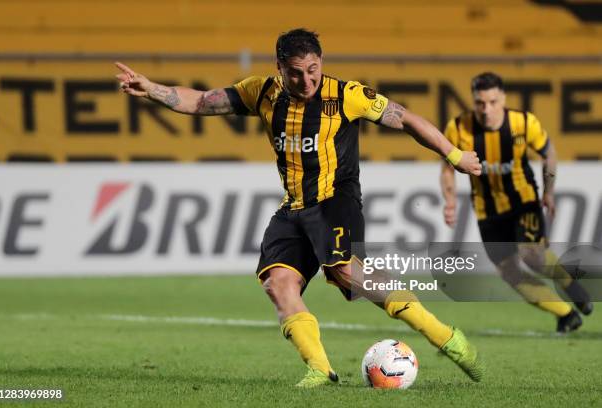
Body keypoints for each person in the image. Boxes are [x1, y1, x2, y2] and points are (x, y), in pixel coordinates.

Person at [116, 28, 484, 387]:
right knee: (277, 283)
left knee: (343, 270)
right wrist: (151, 90)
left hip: (335, 199)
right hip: (294, 208)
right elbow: (200, 101)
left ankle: (447, 338)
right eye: (295, 72)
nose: (306, 80)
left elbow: (405, 118)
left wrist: (453, 154)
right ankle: (320, 370)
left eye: (312, 70)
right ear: (280, 67)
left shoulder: (346, 95)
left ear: (320, 63)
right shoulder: (261, 92)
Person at [441, 72, 593, 333]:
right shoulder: (458, 128)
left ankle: (569, 282)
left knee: (532, 255)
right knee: (509, 272)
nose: (486, 110)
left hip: (523, 202)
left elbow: (549, 153)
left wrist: (549, 191)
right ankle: (565, 314)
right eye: (480, 103)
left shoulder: (523, 123)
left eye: (492, 102)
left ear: (503, 98)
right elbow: (447, 168)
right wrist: (450, 201)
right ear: (473, 101)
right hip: (487, 211)